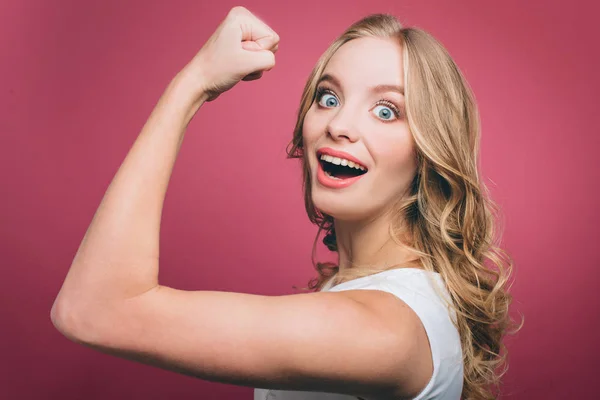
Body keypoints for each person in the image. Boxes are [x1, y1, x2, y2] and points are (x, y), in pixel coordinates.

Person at [51, 6, 521, 400]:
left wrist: (191, 86)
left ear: (431, 154)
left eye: (386, 110)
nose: (339, 124)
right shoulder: (371, 298)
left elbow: (94, 310)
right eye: (328, 96)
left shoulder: (384, 329)